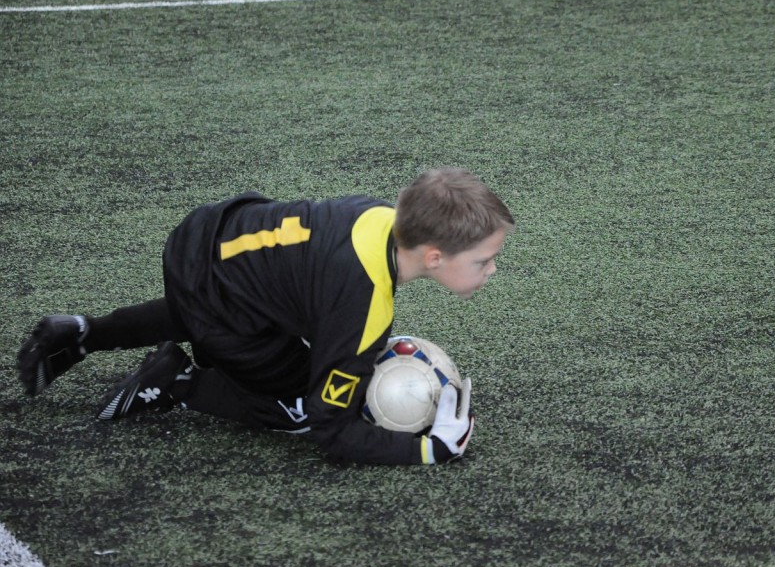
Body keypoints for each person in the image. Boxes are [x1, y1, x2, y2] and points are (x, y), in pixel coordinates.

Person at [15, 167, 514, 466]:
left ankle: (85, 333)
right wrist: (431, 450)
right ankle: (179, 381)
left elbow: (301, 288)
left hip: (208, 237)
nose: (491, 269)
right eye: (483, 260)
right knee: (300, 408)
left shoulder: (379, 216)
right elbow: (331, 430)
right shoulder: (362, 306)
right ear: (433, 257)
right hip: (215, 289)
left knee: (230, 302)